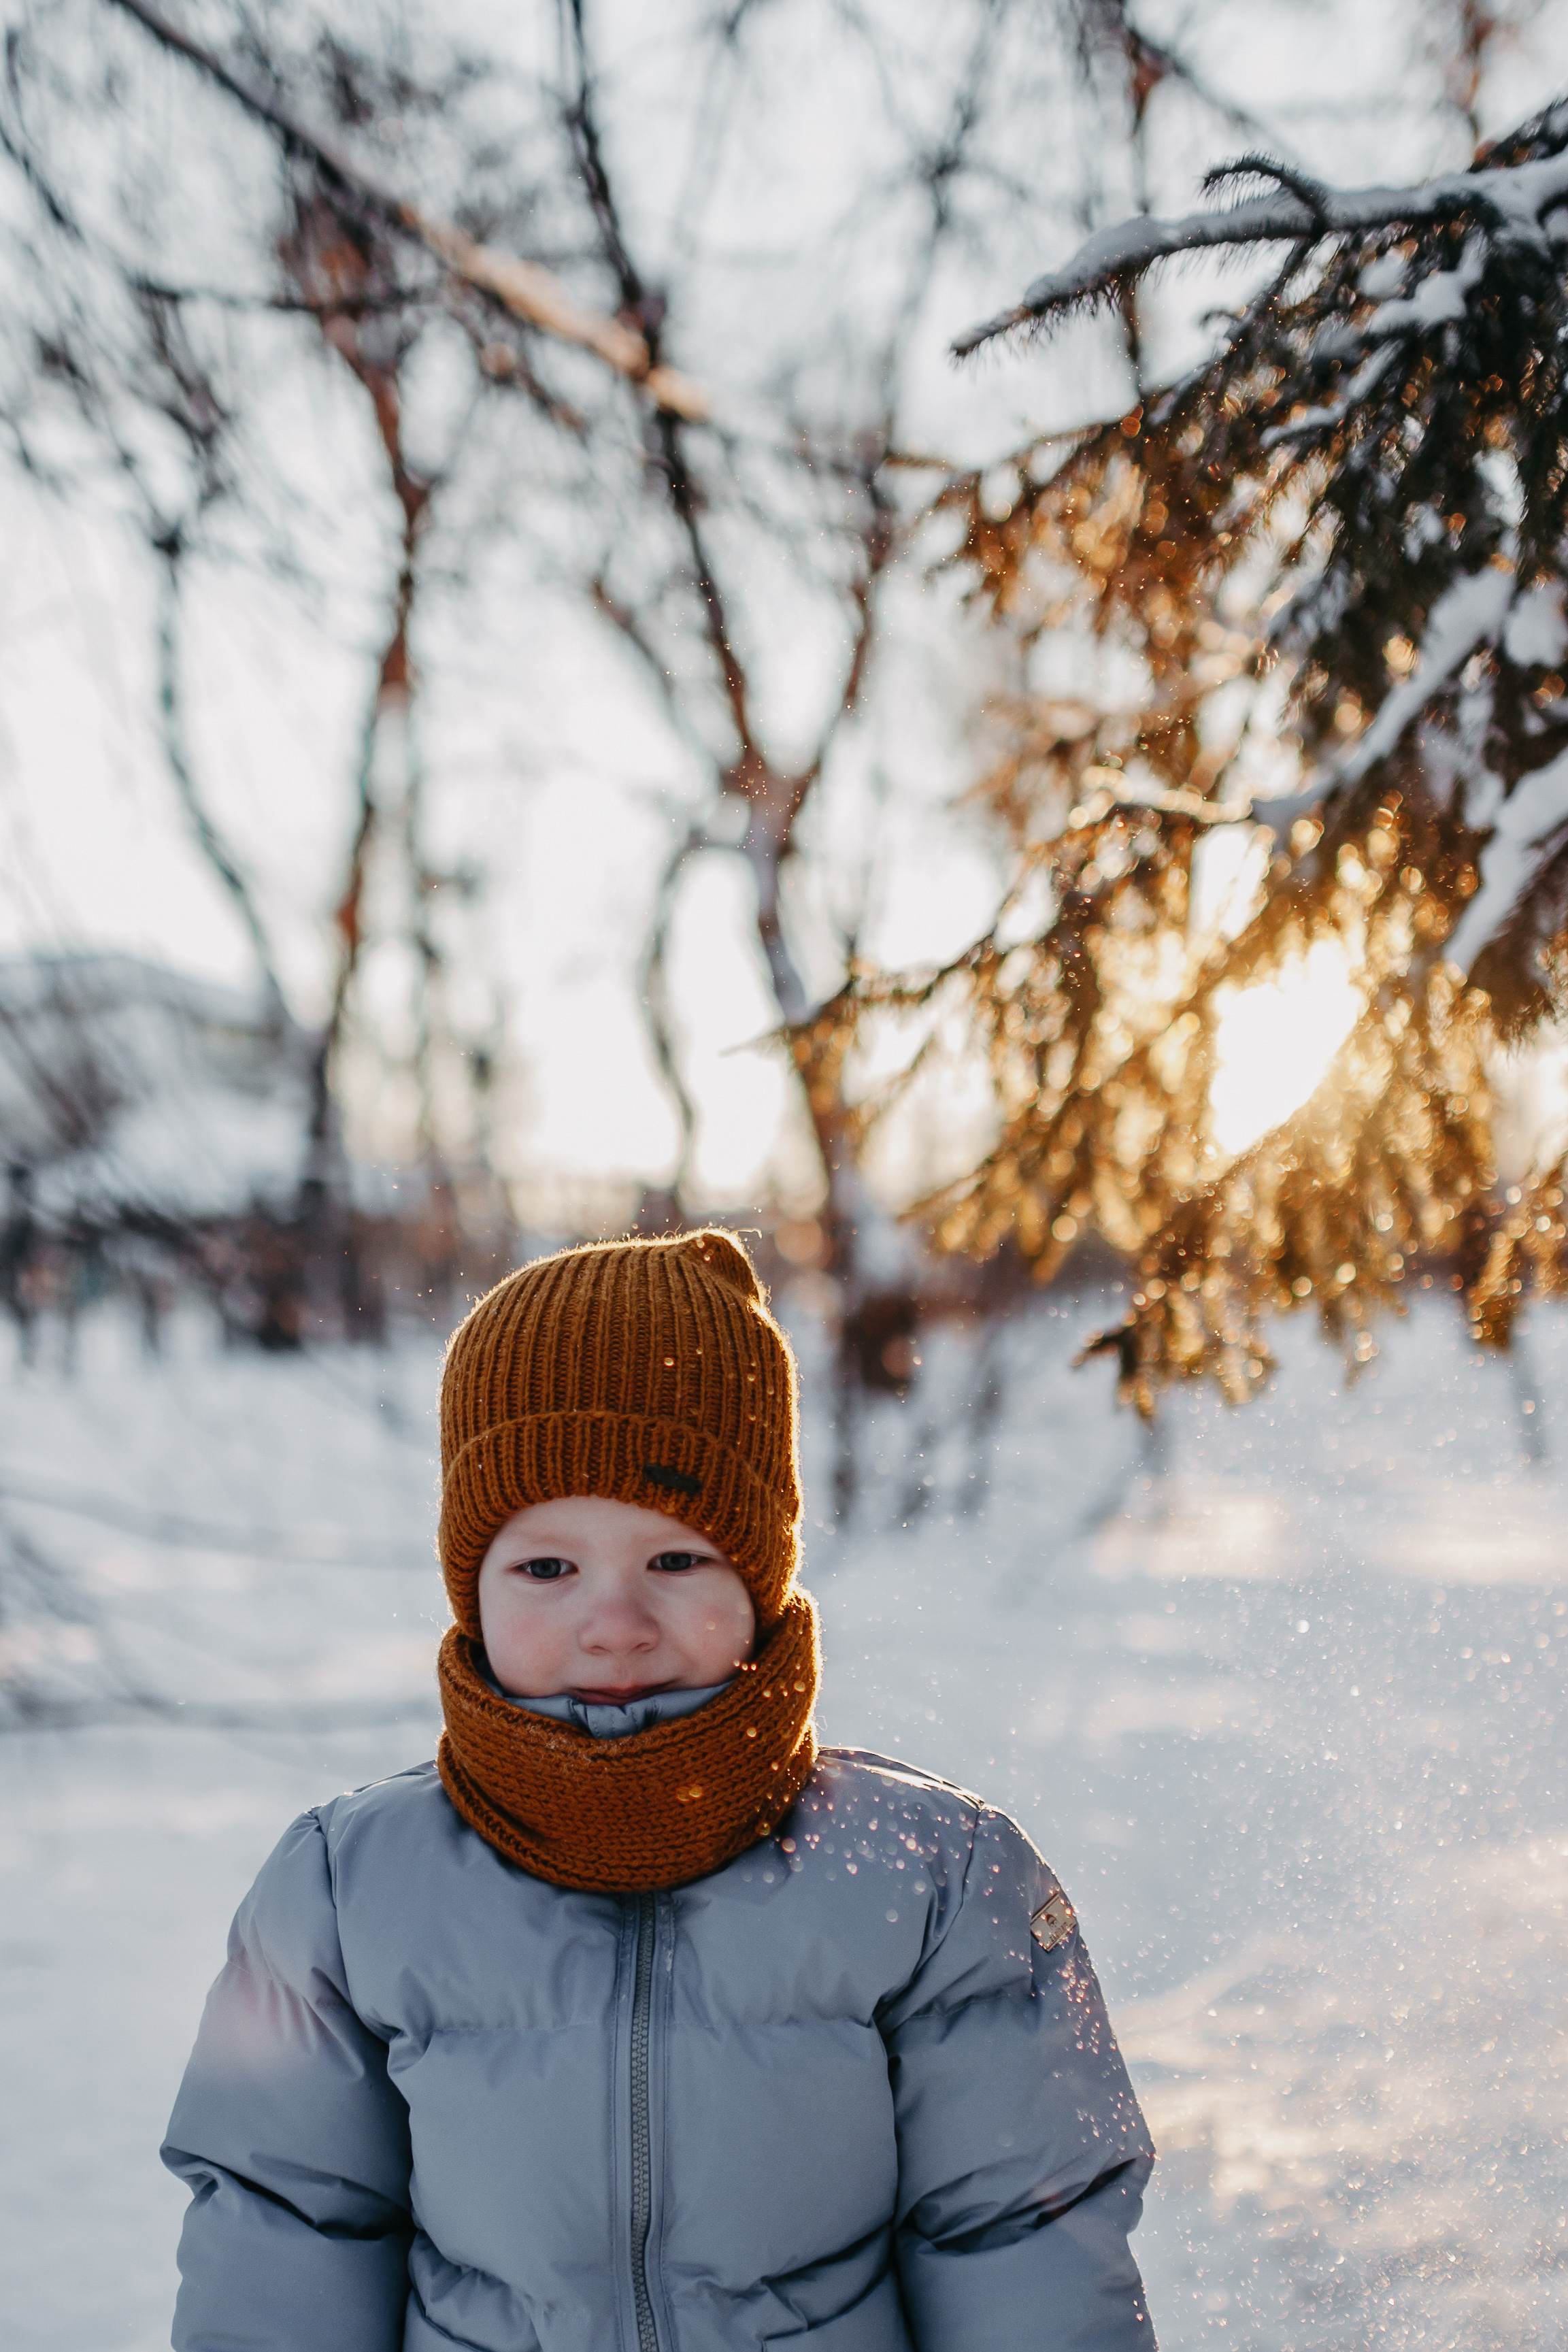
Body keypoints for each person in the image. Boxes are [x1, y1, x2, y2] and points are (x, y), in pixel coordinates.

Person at [163, 1229, 1157, 2352]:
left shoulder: (931, 1875)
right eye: (547, 1566)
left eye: (676, 1560)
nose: (614, 1621)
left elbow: (1018, 2230)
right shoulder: (346, 1889)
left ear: (761, 1574)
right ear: (471, 1584)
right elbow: (286, 2230)